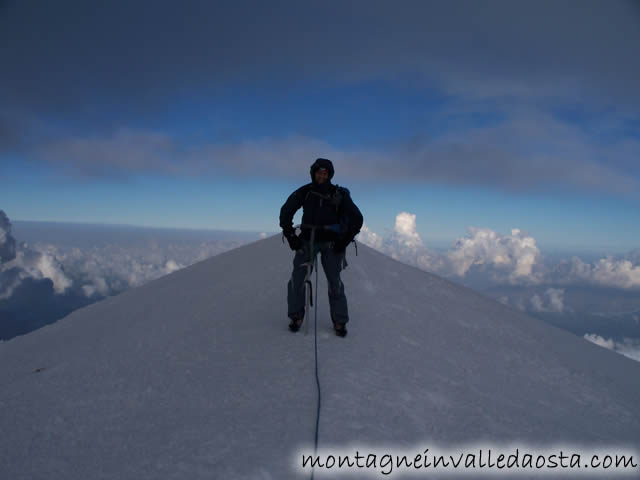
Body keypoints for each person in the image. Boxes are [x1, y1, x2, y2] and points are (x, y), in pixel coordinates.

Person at [279, 158, 363, 337]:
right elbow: (285, 212)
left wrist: (344, 241)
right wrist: (291, 236)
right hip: (307, 241)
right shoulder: (305, 192)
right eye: (319, 172)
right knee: (297, 279)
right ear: (313, 173)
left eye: (325, 173)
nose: (322, 175)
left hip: (332, 243)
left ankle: (339, 319)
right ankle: (296, 316)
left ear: (330, 174)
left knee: (334, 282)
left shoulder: (338, 193)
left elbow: (357, 218)